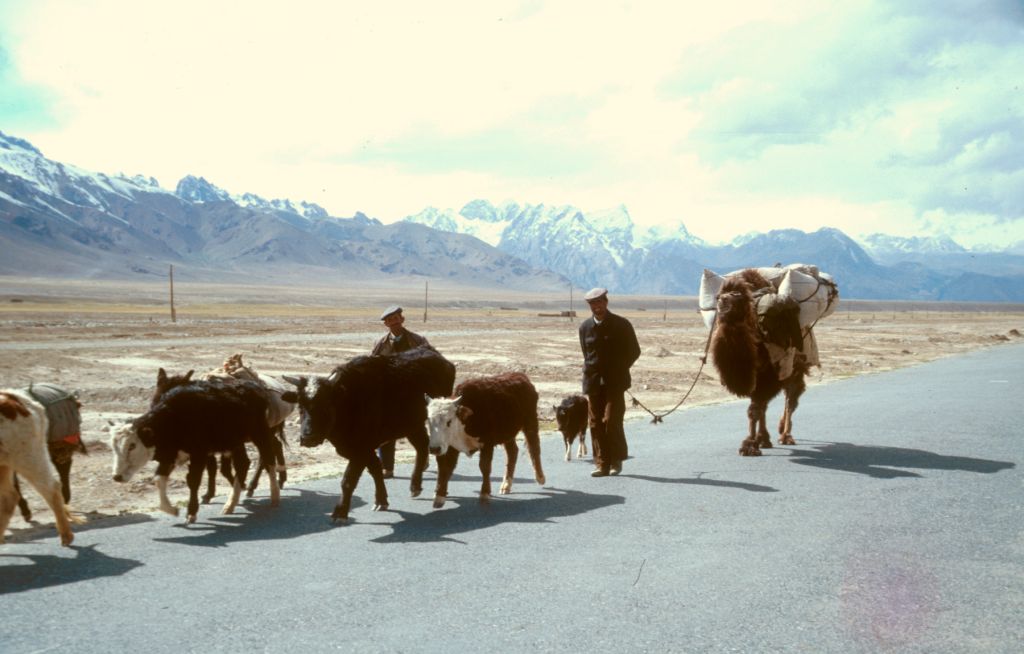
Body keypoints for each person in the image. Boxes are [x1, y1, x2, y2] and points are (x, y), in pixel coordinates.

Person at [578, 288, 641, 477]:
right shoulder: (584, 328)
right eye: (592, 304)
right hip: (593, 382)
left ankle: (616, 460)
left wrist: (620, 369)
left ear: (606, 302)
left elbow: (634, 351)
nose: (597, 307)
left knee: (611, 421)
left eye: (599, 303)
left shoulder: (622, 325)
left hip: (615, 382)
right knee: (596, 423)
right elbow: (586, 353)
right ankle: (601, 464)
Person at [371, 305, 432, 478]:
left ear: (402, 319)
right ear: (386, 324)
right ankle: (387, 467)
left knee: (416, 427)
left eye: (396, 318)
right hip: (389, 394)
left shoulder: (418, 340)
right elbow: (372, 366)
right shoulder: (379, 344)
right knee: (386, 429)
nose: (394, 322)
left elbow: (430, 363)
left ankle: (424, 454)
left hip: (414, 393)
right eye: (390, 320)